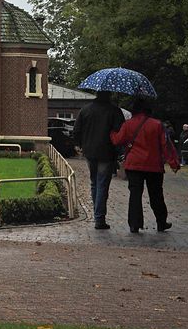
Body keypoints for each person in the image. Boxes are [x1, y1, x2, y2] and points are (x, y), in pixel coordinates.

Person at [111, 97, 180, 233]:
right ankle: (161, 222)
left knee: (135, 195)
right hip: (154, 165)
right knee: (156, 194)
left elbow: (117, 141)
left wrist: (112, 132)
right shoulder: (157, 125)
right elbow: (166, 145)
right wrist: (173, 163)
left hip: (134, 165)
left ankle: (134, 224)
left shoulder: (128, 124)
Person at [72, 91, 125, 230]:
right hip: (107, 153)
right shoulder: (114, 110)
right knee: (102, 184)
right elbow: (121, 133)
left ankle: (97, 215)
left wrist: (80, 145)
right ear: (110, 95)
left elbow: (76, 130)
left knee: (94, 182)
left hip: (90, 151)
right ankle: (99, 218)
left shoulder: (86, 109)